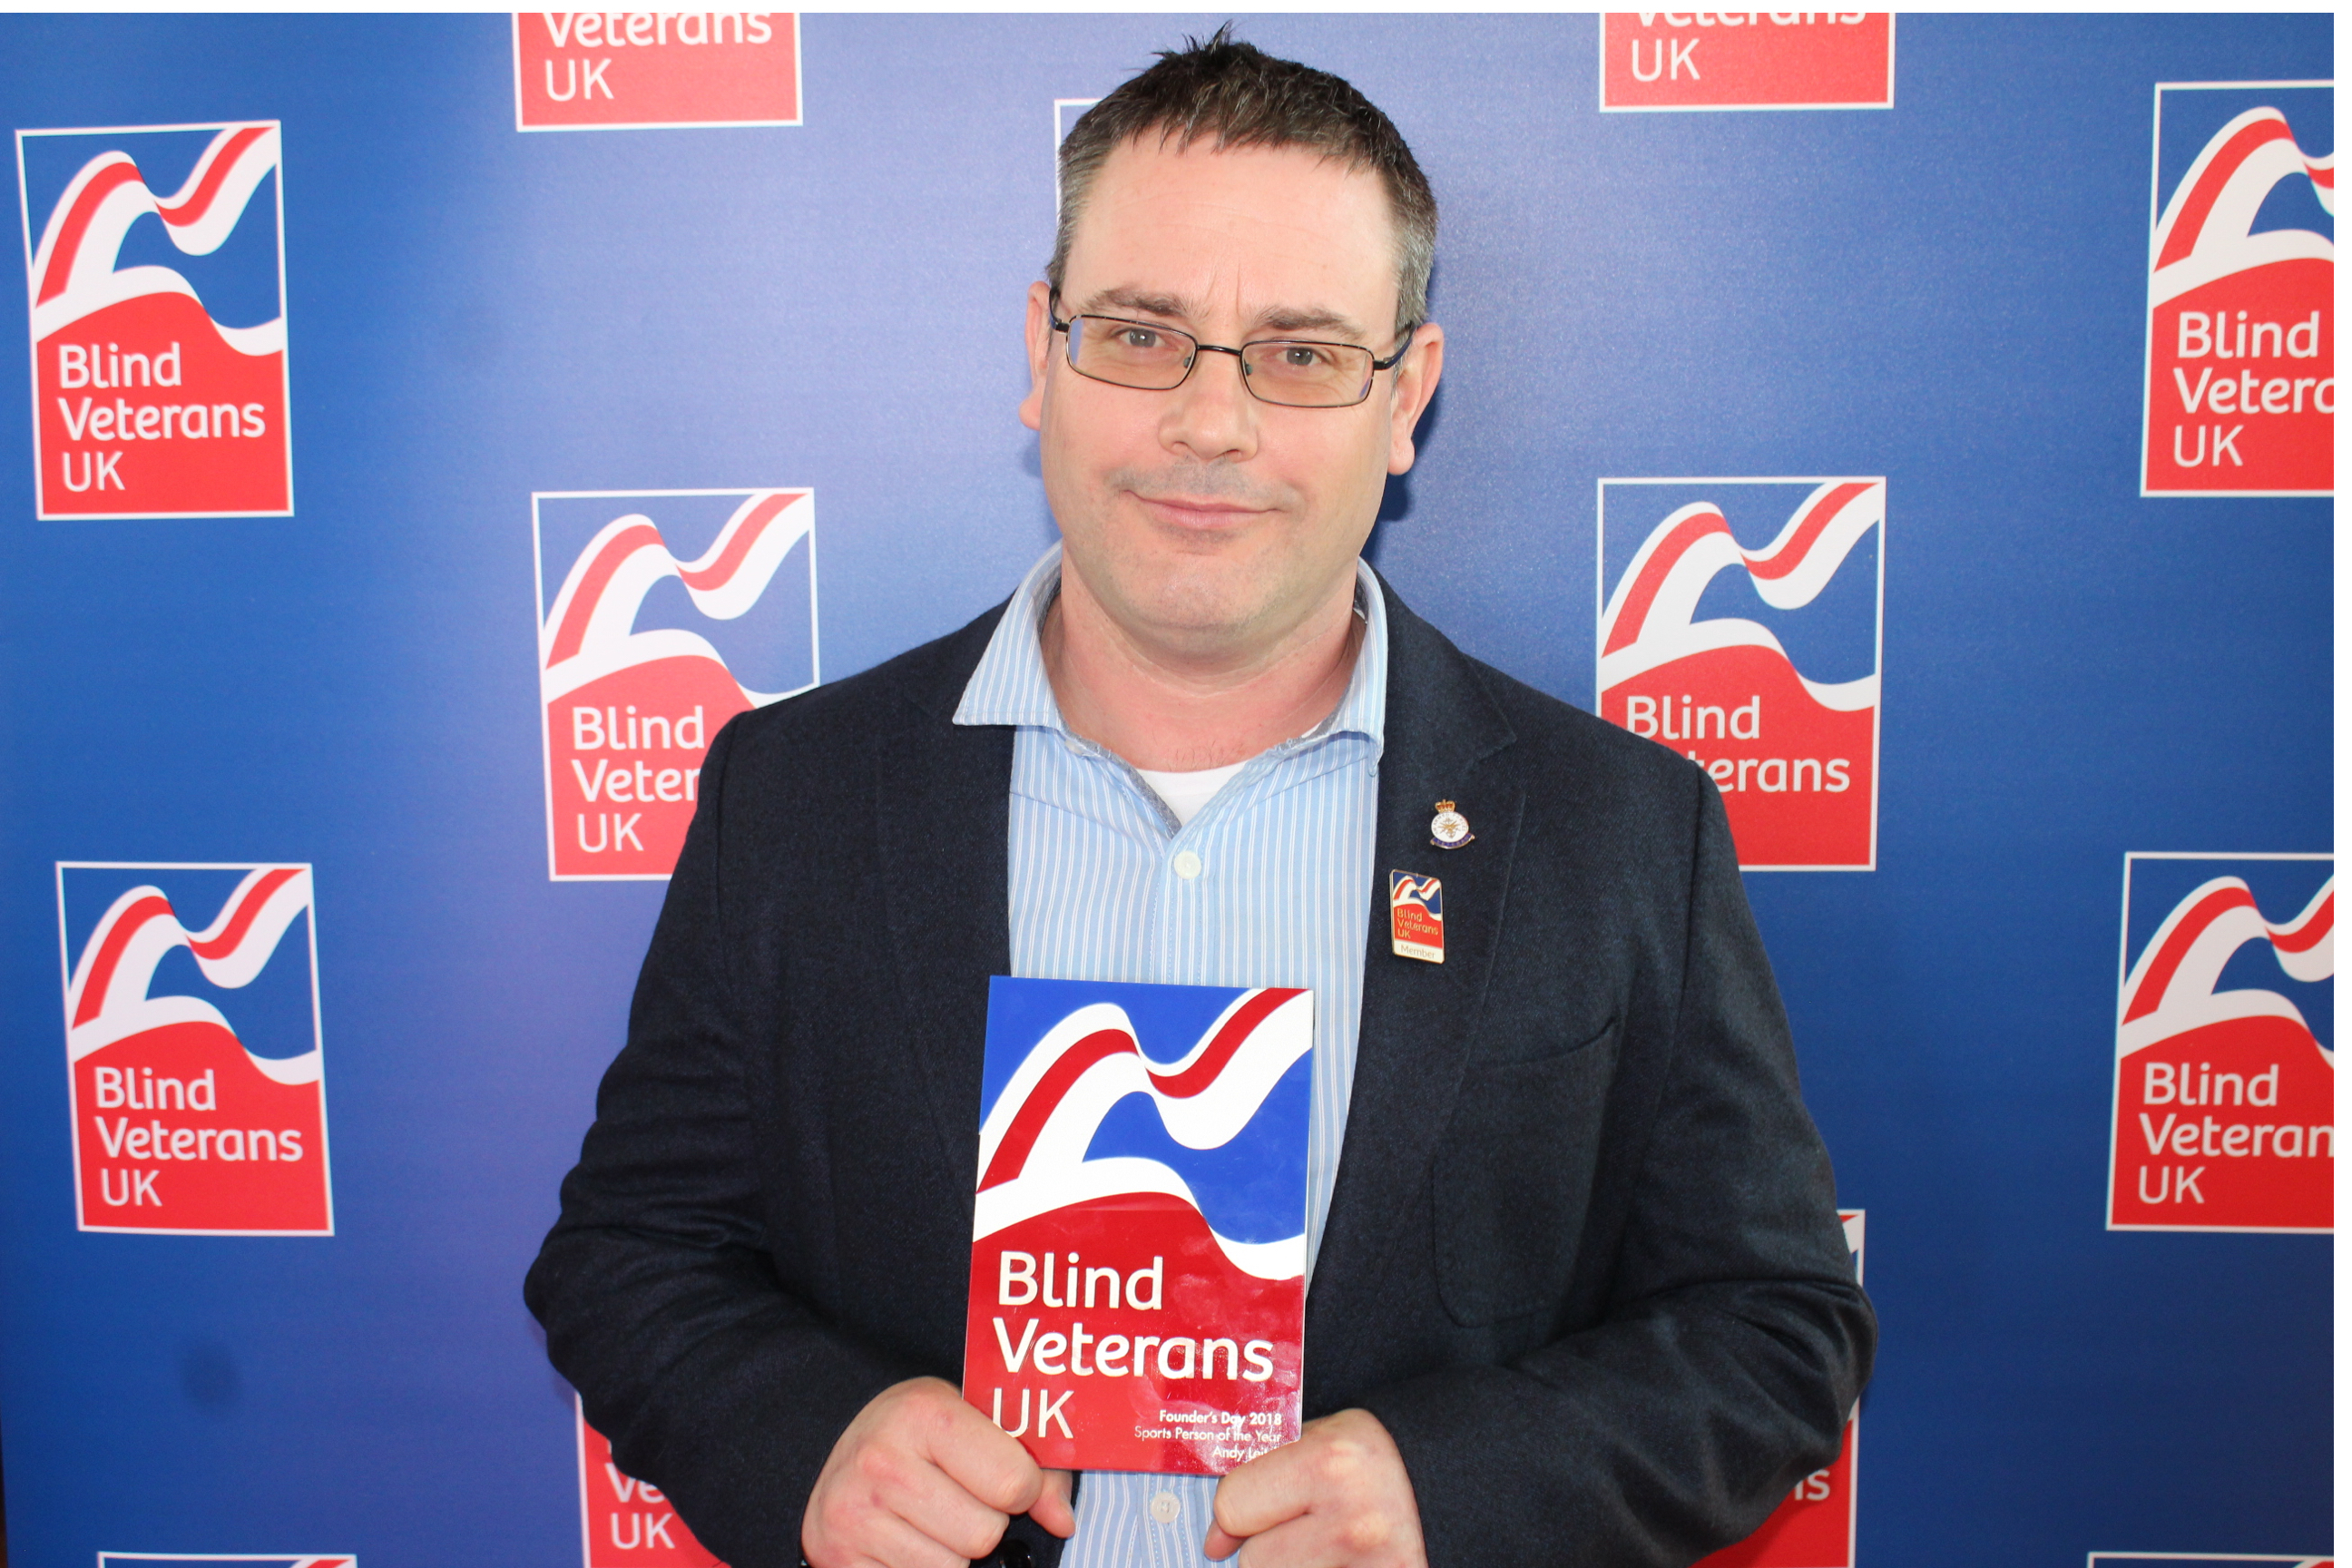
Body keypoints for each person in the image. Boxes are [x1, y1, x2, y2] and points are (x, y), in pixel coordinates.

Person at [527, 28, 1875, 1568]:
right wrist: (812, 1441)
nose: (1211, 423)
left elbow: (1775, 1327)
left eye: (1303, 355)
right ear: (1042, 350)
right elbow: (630, 1254)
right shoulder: (800, 797)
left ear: (1407, 394)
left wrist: (1462, 1490)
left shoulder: (1620, 830)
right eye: (1142, 334)